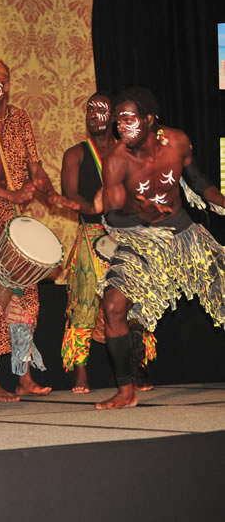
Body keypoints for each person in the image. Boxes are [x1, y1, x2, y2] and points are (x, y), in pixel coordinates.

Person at [0, 59, 78, 401]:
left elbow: (35, 168)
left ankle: (23, 376)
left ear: (4, 87)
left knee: (24, 295)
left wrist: (53, 196)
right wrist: (12, 194)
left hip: (8, 212)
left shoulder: (20, 119)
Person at [93, 87, 225, 409]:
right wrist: (141, 214)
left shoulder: (177, 142)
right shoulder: (115, 160)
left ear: (150, 120)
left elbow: (197, 179)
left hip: (183, 238)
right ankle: (126, 391)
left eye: (128, 119)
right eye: (117, 121)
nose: (120, 126)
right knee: (112, 306)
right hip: (140, 238)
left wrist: (221, 201)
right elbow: (111, 216)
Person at [60, 92, 156, 393]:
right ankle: (81, 374)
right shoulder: (75, 154)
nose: (93, 114)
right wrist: (92, 208)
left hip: (127, 234)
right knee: (85, 300)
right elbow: (70, 194)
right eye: (89, 109)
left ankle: (135, 370)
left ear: (113, 118)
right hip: (91, 233)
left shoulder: (129, 152)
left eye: (100, 110)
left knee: (135, 302)